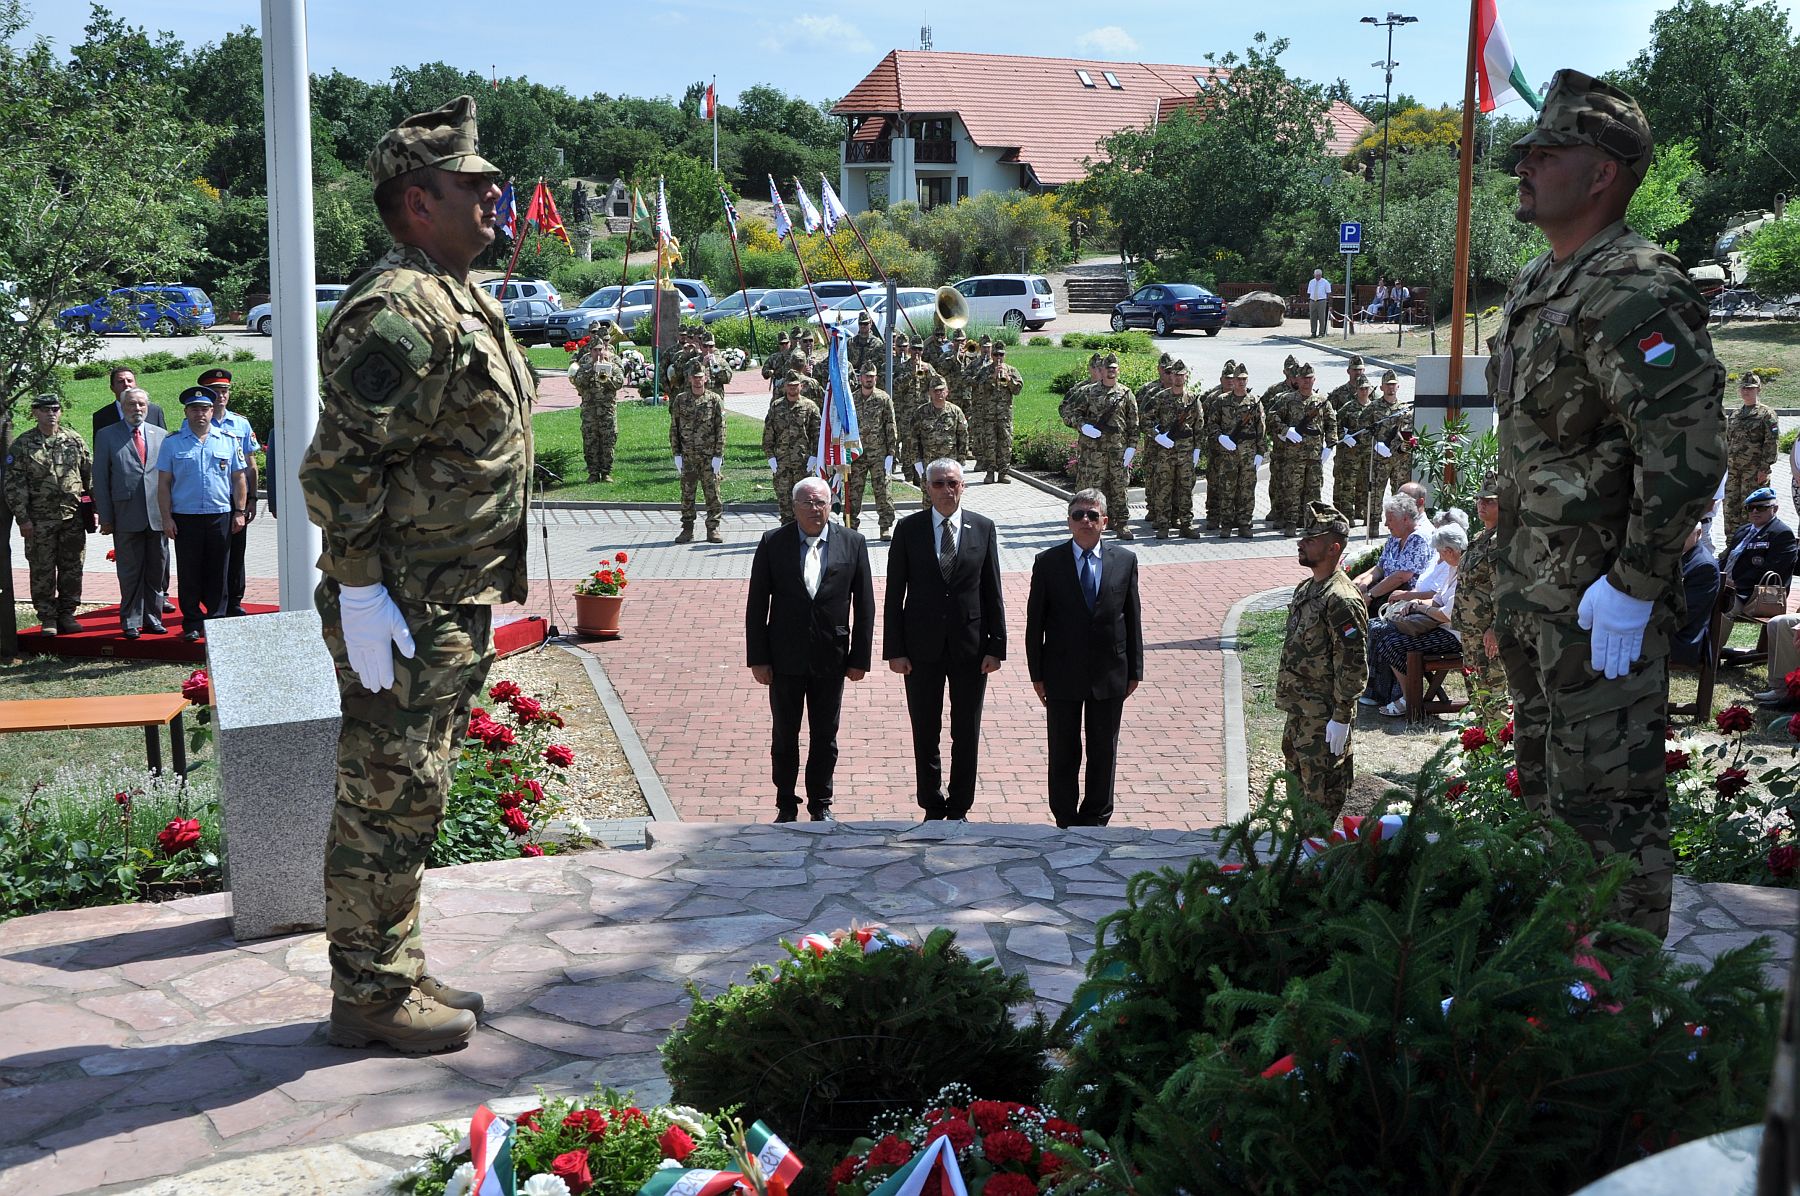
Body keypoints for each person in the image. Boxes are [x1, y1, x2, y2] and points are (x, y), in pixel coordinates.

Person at [299, 95, 534, 1054]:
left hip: (442, 598)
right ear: (415, 202)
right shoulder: (398, 306)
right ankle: (368, 994)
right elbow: (341, 464)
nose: (493, 200)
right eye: (471, 187)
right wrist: (358, 590)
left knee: (416, 789)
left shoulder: (452, 291)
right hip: (401, 601)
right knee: (384, 795)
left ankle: (393, 965)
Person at [1490, 69, 1725, 946]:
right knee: (1552, 816)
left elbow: (1689, 449)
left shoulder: (1633, 286)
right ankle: (1556, 1004)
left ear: (1604, 173)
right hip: (1542, 605)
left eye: (1548, 153)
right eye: (1527, 151)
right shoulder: (1543, 283)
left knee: (1607, 826)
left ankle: (1612, 1026)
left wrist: (1635, 583)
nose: (1526, 165)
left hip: (1599, 611)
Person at [744, 476, 874, 822]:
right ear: (794, 507)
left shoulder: (853, 542)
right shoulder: (774, 542)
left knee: (825, 736)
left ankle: (821, 804)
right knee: (785, 735)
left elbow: (865, 605)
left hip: (831, 657)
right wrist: (758, 657)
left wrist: (860, 657)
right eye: (808, 503)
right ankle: (786, 803)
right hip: (784, 657)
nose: (815, 509)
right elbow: (757, 604)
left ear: (830, 505)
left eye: (821, 502)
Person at [884, 458, 1005, 821]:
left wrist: (996, 646)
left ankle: (960, 803)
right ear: (927, 487)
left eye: (953, 482)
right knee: (926, 727)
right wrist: (895, 650)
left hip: (971, 648)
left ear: (962, 486)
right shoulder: (909, 529)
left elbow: (992, 590)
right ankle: (932, 802)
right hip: (921, 648)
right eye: (938, 483)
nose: (946, 490)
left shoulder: (982, 527)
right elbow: (894, 594)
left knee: (966, 729)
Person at [1025, 488, 1143, 827]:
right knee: (1064, 749)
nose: (1086, 521)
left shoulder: (1125, 561)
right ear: (1069, 522)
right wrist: (1037, 674)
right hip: (1061, 672)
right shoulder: (1048, 563)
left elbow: (1132, 618)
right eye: (1079, 515)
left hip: (1110, 672)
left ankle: (1096, 817)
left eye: (1093, 515)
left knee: (1103, 749)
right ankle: (1065, 815)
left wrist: (1134, 669)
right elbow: (1036, 624)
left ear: (1105, 522)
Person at [1277, 501, 1368, 819]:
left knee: (1324, 797)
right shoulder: (1307, 589)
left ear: (1334, 548)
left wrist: (1342, 717)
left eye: (1311, 540)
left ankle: (1323, 861)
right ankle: (1303, 857)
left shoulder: (1341, 599)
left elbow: (1353, 663)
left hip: (1324, 716)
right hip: (1301, 712)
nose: (1301, 544)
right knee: (1298, 795)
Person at [158, 387, 247, 641]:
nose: (201, 414)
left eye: (205, 408)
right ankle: (193, 622)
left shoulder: (228, 440)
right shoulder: (172, 443)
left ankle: (217, 620)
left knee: (219, 570)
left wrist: (239, 511)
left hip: (220, 514)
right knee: (189, 571)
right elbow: (163, 484)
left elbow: (239, 478)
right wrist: (166, 518)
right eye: (195, 409)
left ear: (212, 410)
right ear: (186, 412)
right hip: (186, 517)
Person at [4, 394, 91, 636]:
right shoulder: (23, 444)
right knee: (42, 570)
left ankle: (67, 613)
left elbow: (88, 476)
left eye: (55, 408)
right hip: (39, 521)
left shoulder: (73, 440)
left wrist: (92, 509)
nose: (50, 413)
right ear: (35, 413)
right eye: (44, 409)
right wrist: (23, 519)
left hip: (72, 518)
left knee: (72, 567)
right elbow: (14, 485)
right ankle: (47, 617)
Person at [1365, 521, 1467, 718]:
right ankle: (1404, 695)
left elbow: (1446, 614)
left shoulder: (1464, 571)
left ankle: (1408, 699)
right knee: (1388, 638)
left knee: (1393, 644)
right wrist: (1417, 602)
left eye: (1441, 553)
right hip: (1442, 627)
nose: (1439, 557)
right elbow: (1438, 599)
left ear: (1450, 551)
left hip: (1455, 635)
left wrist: (1420, 607)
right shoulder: (1453, 567)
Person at [91, 386, 169, 638]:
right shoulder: (106, 435)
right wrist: (105, 517)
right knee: (130, 571)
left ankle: (153, 619)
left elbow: (169, 479)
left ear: (148, 407)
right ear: (122, 407)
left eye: (141, 405)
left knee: (156, 571)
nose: (137, 409)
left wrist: (170, 515)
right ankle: (131, 620)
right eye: (132, 404)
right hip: (125, 515)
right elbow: (100, 479)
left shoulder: (161, 435)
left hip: (157, 515)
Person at [200, 367, 260, 617]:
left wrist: (253, 499)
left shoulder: (241, 423)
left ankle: (235, 599)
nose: (221, 396)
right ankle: (212, 600)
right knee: (211, 554)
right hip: (210, 499)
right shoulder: (197, 421)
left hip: (237, 498)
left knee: (236, 551)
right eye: (215, 392)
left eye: (224, 391)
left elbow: (251, 463)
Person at [1065, 353, 1138, 539]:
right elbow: (1070, 414)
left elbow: (1133, 424)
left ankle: (1121, 524)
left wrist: (1132, 447)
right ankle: (1091, 524)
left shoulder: (1126, 394)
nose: (1111, 371)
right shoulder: (1089, 392)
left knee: (1119, 488)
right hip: (1093, 453)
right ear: (1102, 370)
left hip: (1118, 451)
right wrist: (1083, 426)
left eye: (1114, 368)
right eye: (1108, 368)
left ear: (1118, 370)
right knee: (1093, 491)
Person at [1451, 473, 1507, 696]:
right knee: (1476, 691)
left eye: (1490, 501)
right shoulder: (1481, 536)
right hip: (1471, 629)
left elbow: (1502, 588)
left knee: (1494, 694)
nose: (1482, 505)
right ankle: (1481, 732)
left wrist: (1495, 628)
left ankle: (1497, 732)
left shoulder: (1499, 542)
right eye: (1480, 499)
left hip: (1487, 632)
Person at [1269, 363, 1337, 537]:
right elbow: (1272, 418)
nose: (1307, 382)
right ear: (1297, 380)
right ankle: (1291, 522)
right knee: (1293, 489)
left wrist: (1330, 445)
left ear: (1314, 380)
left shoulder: (1322, 401)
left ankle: (1312, 523)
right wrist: (1286, 431)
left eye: (1310, 378)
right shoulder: (1288, 399)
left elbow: (1331, 424)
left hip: (1315, 455)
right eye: (1303, 379)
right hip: (1294, 455)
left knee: (1314, 490)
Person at [1141, 359, 1202, 538]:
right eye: (1175, 375)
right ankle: (1163, 524)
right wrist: (1157, 436)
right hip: (1166, 451)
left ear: (1186, 376)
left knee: (1185, 489)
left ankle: (1186, 524)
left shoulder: (1192, 399)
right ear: (1171, 376)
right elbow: (1145, 420)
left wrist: (1197, 450)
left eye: (1181, 375)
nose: (1178, 378)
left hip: (1186, 450)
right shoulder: (1161, 397)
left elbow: (1199, 425)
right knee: (1164, 487)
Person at [1207, 361, 1265, 539]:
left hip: (1248, 453)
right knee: (1227, 489)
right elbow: (1211, 424)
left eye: (1244, 379)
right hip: (1228, 454)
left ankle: (1245, 524)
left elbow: (1261, 428)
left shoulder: (1254, 402)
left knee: (1247, 490)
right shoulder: (1222, 401)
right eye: (1238, 379)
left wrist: (1260, 452)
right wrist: (1220, 437)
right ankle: (1226, 524)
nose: (1240, 382)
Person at [670, 361, 725, 544]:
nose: (697, 381)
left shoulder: (714, 400)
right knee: (687, 494)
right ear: (689, 378)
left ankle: (713, 528)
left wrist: (719, 455)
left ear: (706, 378)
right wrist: (676, 453)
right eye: (694, 377)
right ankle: (687, 529)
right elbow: (674, 428)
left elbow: (721, 429)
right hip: (688, 456)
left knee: (713, 494)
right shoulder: (681, 400)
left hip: (709, 457)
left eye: (700, 377)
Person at [845, 362, 898, 540]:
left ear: (876, 378)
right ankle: (851, 526)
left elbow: (890, 425)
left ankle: (885, 526)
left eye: (872, 376)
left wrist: (891, 453)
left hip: (878, 454)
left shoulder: (883, 398)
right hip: (856, 454)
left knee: (883, 491)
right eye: (866, 376)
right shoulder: (851, 399)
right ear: (860, 378)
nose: (869, 379)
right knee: (854, 492)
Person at [1720, 486, 1797, 603]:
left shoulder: (1782, 534)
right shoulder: (1742, 530)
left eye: (1761, 507)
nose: (1755, 511)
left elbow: (1772, 570)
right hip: (1727, 589)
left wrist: (1735, 584)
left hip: (1755, 595)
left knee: (1713, 605)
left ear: (1775, 509)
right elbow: (1726, 559)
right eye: (1750, 508)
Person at [1352, 493, 1429, 609]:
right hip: (1384, 592)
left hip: (1403, 598)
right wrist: (1364, 584)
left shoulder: (1418, 539)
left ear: (1405, 519)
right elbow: (1380, 568)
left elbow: (1402, 576)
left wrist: (1369, 595)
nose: (1386, 524)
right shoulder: (1395, 537)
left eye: (1390, 519)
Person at [764, 371, 820, 526]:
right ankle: (787, 534)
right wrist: (770, 457)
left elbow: (817, 434)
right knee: (784, 501)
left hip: (803, 463)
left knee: (805, 500)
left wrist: (814, 456)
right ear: (785, 387)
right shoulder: (776, 407)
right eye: (789, 386)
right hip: (782, 463)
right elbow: (768, 434)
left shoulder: (810, 407)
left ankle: (805, 530)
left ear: (801, 386)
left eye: (795, 386)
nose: (792, 389)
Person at [1723, 371, 1778, 525]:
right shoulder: (1735, 415)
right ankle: (1732, 545)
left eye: (1751, 388)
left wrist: (1765, 468)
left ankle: (1749, 546)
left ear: (1758, 389)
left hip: (1753, 471)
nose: (1746, 391)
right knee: (1730, 509)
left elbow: (1771, 442)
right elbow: (1728, 441)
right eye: (1744, 388)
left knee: (1753, 508)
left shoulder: (1766, 414)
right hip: (1733, 471)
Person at [574, 335, 625, 483]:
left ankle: (606, 472)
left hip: (607, 411)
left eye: (600, 350)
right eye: (595, 350)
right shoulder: (584, 368)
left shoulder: (612, 366)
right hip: (590, 412)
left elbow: (619, 383)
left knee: (608, 442)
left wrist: (606, 376)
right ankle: (593, 473)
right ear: (590, 351)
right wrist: (591, 370)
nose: (598, 353)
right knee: (590, 442)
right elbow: (578, 383)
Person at [1672, 522, 1722, 670]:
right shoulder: (1675, 555)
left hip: (1681, 639)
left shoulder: (1703, 566)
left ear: (1699, 533)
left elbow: (1684, 615)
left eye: (1685, 532)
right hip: (1664, 630)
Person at [1332, 378, 1378, 534]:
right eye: (1361, 389)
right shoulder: (1348, 407)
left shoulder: (1374, 407)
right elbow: (1335, 424)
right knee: (1348, 484)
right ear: (1356, 390)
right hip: (1351, 453)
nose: (1364, 391)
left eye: (1366, 388)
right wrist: (1344, 436)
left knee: (1368, 483)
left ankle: (1366, 514)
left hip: (1369, 452)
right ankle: (1347, 515)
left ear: (1370, 390)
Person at [973, 343, 1023, 484]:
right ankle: (990, 472)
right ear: (991, 355)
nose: (998, 357)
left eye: (1001, 354)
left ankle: (1004, 472)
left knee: (1005, 444)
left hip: (1005, 415)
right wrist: (992, 377)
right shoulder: (984, 371)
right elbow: (979, 388)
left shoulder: (1012, 370)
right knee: (989, 444)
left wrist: (1008, 380)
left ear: (1004, 355)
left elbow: (1018, 390)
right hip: (988, 416)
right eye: (995, 354)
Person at [909, 375, 968, 482]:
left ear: (947, 391)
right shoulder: (921, 412)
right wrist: (916, 460)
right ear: (930, 393)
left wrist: (962, 460)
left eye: (941, 390)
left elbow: (963, 436)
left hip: (950, 462)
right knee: (929, 495)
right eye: (935, 391)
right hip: (928, 462)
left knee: (950, 494)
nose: (938, 393)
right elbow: (914, 438)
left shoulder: (955, 411)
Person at [93, 367, 166, 436]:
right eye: (121, 381)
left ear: (136, 385)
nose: (126, 384)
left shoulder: (154, 411)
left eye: (129, 381)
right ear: (112, 388)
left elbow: (163, 439)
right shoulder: (101, 417)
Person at [1306, 268, 1332, 337]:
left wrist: (1329, 303)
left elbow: (1329, 293)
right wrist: (1309, 300)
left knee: (1321, 317)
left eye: (1319, 275)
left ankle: (1321, 332)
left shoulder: (1325, 282)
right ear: (1314, 275)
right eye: (1316, 275)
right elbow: (1309, 292)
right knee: (1313, 317)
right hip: (1312, 301)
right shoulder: (1311, 282)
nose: (1317, 276)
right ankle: (1313, 332)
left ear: (1321, 275)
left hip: (1321, 301)